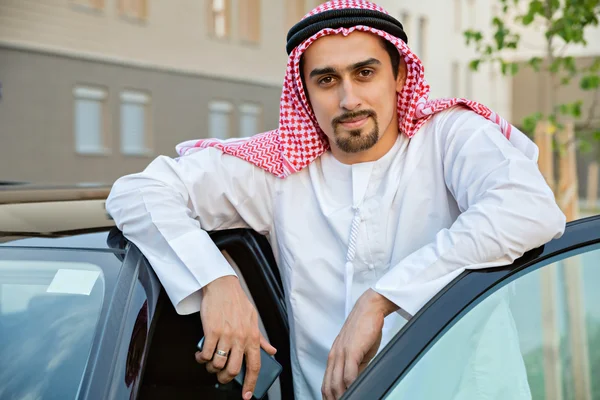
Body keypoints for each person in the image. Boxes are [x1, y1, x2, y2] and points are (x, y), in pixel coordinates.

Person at [105, 1, 566, 399]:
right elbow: (137, 193)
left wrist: (381, 299)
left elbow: (529, 209)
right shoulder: (281, 172)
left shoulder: (448, 139)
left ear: (400, 75)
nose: (349, 98)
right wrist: (216, 281)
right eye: (327, 80)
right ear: (305, 92)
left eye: (365, 73)